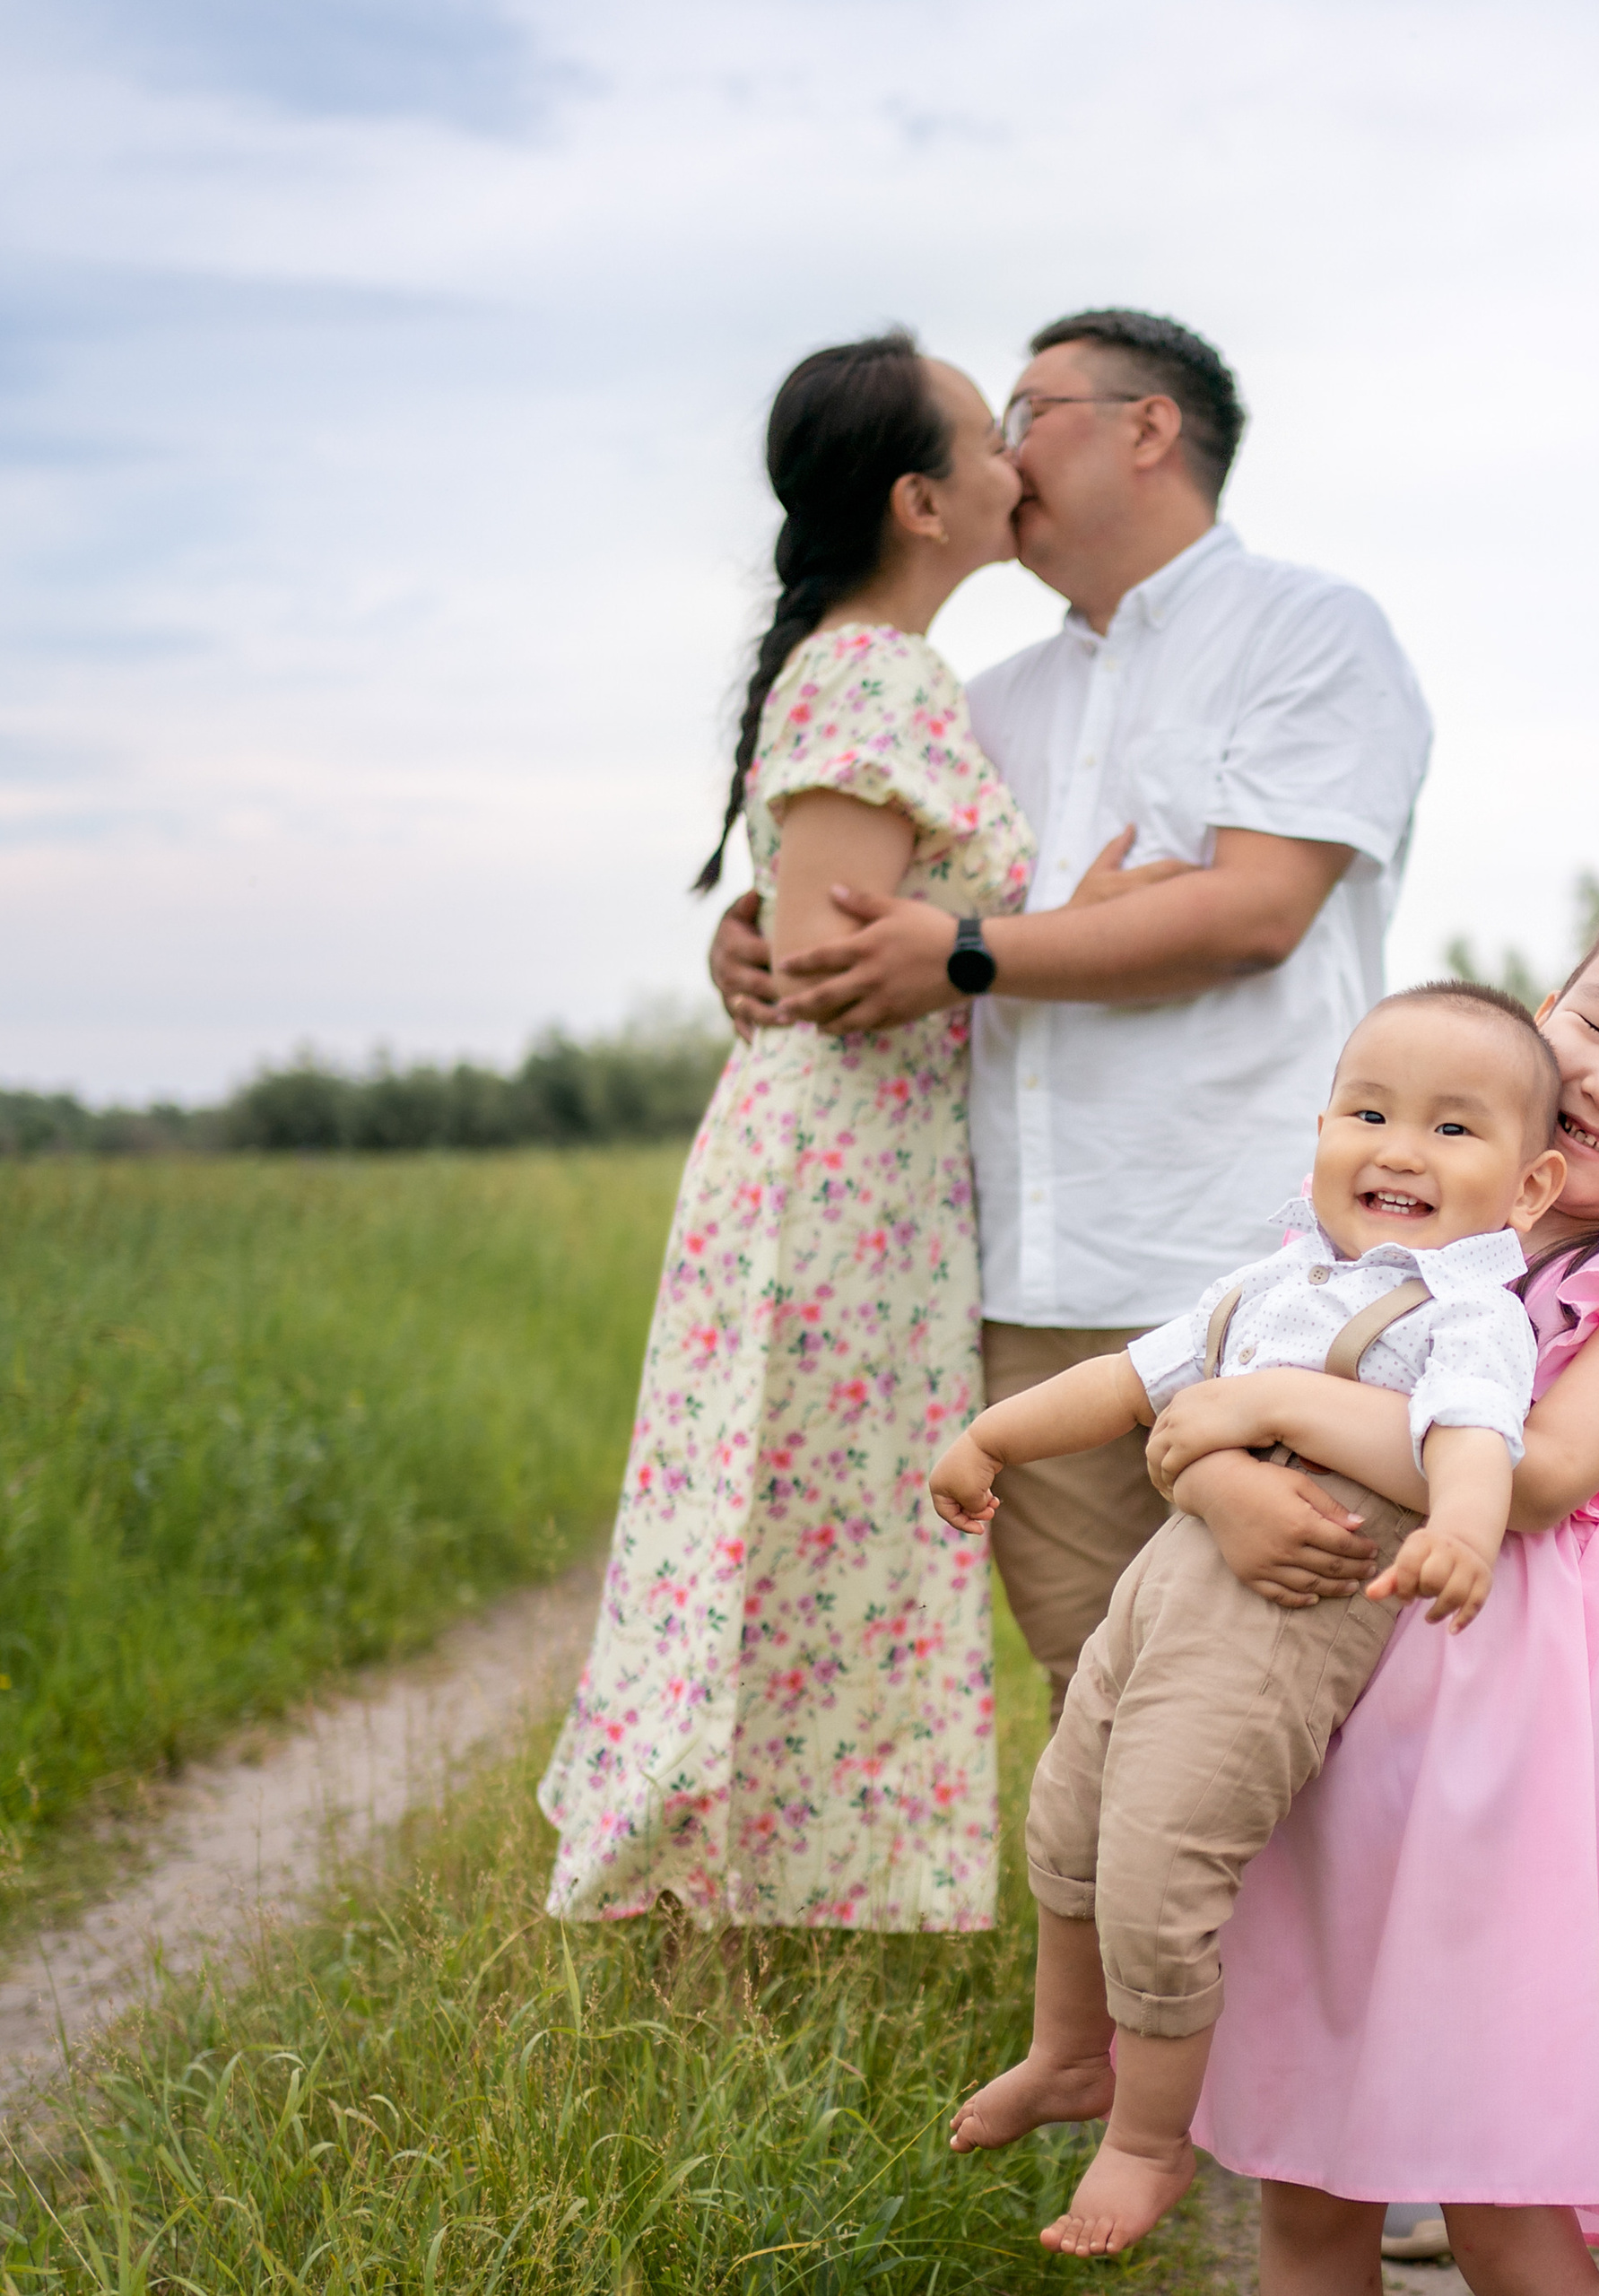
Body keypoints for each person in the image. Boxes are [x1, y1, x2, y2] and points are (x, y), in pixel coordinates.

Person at [708, 309, 1433, 1718]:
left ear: (1148, 427)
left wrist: (967, 952)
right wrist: (756, 948)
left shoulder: (1313, 631)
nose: (1003, 455)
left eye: (1027, 413)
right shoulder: (986, 700)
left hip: (1250, 1268)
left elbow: (1254, 911)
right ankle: (1118, 1952)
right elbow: (869, 913)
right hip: (1030, 1284)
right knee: (1095, 1700)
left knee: (1290, 1700)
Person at [1145, 900, 1599, 2290]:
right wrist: (1223, 1473)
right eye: (1593, 1022)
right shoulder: (1410, 1216)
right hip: (1326, 1695)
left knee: (1496, 2179)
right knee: (1307, 2167)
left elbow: (1539, 1472)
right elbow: (1197, 1414)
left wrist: (1266, 1403)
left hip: (1511, 1741)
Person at [930, 984, 1568, 2256]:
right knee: (1068, 1819)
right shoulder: (1268, 1286)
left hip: (1274, 1639)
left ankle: (1149, 2143)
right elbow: (1125, 1382)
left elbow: (1476, 1434)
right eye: (1370, 1112)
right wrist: (995, 1434)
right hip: (1160, 1595)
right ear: (1321, 1124)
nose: (1398, 1148)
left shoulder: (1464, 1315)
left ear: (1532, 1188)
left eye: (1452, 1130)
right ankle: (1068, 2055)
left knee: (1163, 1865)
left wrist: (1457, 1523)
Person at [536, 334, 1038, 1930]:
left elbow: (811, 940)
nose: (1017, 461)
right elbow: (834, 968)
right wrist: (1089, 919)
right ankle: (749, 1902)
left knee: (805, 1526)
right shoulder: (877, 670)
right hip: (842, 1179)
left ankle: (780, 1893)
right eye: (988, 438)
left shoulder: (862, 667)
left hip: (852, 1169)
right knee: (805, 1524)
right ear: (923, 500)